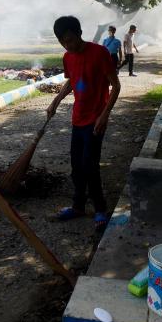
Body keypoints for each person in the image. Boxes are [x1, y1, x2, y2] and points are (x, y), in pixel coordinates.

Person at [47, 16, 121, 232]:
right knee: (76, 166)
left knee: (90, 165)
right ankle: (78, 206)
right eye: (63, 42)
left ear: (79, 33)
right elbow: (72, 81)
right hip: (78, 119)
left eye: (70, 39)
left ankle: (100, 208)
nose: (68, 45)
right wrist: (55, 101)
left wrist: (105, 115)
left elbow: (116, 86)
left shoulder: (100, 53)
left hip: (96, 119)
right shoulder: (67, 57)